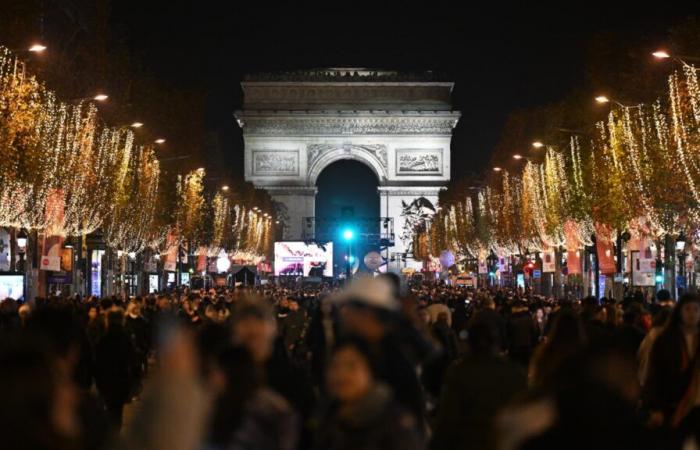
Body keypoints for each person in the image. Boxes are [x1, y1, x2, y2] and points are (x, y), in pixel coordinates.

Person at [431, 320, 527, 450]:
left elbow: (448, 417)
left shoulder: (459, 372)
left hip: (470, 441)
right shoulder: (515, 372)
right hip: (504, 440)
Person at [314, 338, 424, 450]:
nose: (341, 374)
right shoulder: (328, 415)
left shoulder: (394, 424)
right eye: (335, 366)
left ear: (370, 370)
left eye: (351, 366)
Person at [644, 293, 700, 428]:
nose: (692, 314)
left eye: (696, 309)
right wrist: (655, 406)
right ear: (679, 312)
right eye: (687, 309)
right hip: (673, 404)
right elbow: (656, 374)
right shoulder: (666, 340)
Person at [95, 308, 138, 430]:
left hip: (105, 379)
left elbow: (98, 360)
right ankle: (114, 434)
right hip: (121, 378)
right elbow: (132, 359)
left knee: (108, 407)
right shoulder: (125, 339)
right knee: (117, 410)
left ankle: (109, 432)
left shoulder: (103, 339)